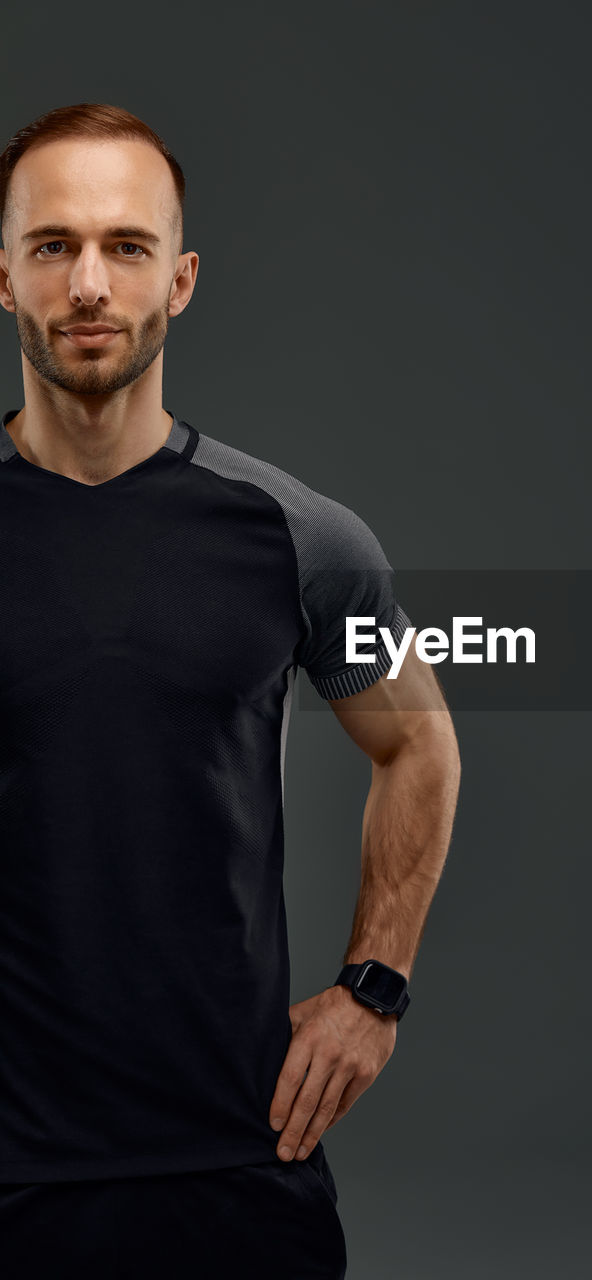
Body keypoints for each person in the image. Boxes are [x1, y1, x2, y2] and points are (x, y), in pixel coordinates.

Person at [0, 102, 460, 1279]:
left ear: (183, 280)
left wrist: (374, 987)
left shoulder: (296, 536)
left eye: (127, 246)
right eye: (53, 245)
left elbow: (418, 748)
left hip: (234, 1166)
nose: (89, 283)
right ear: (4, 276)